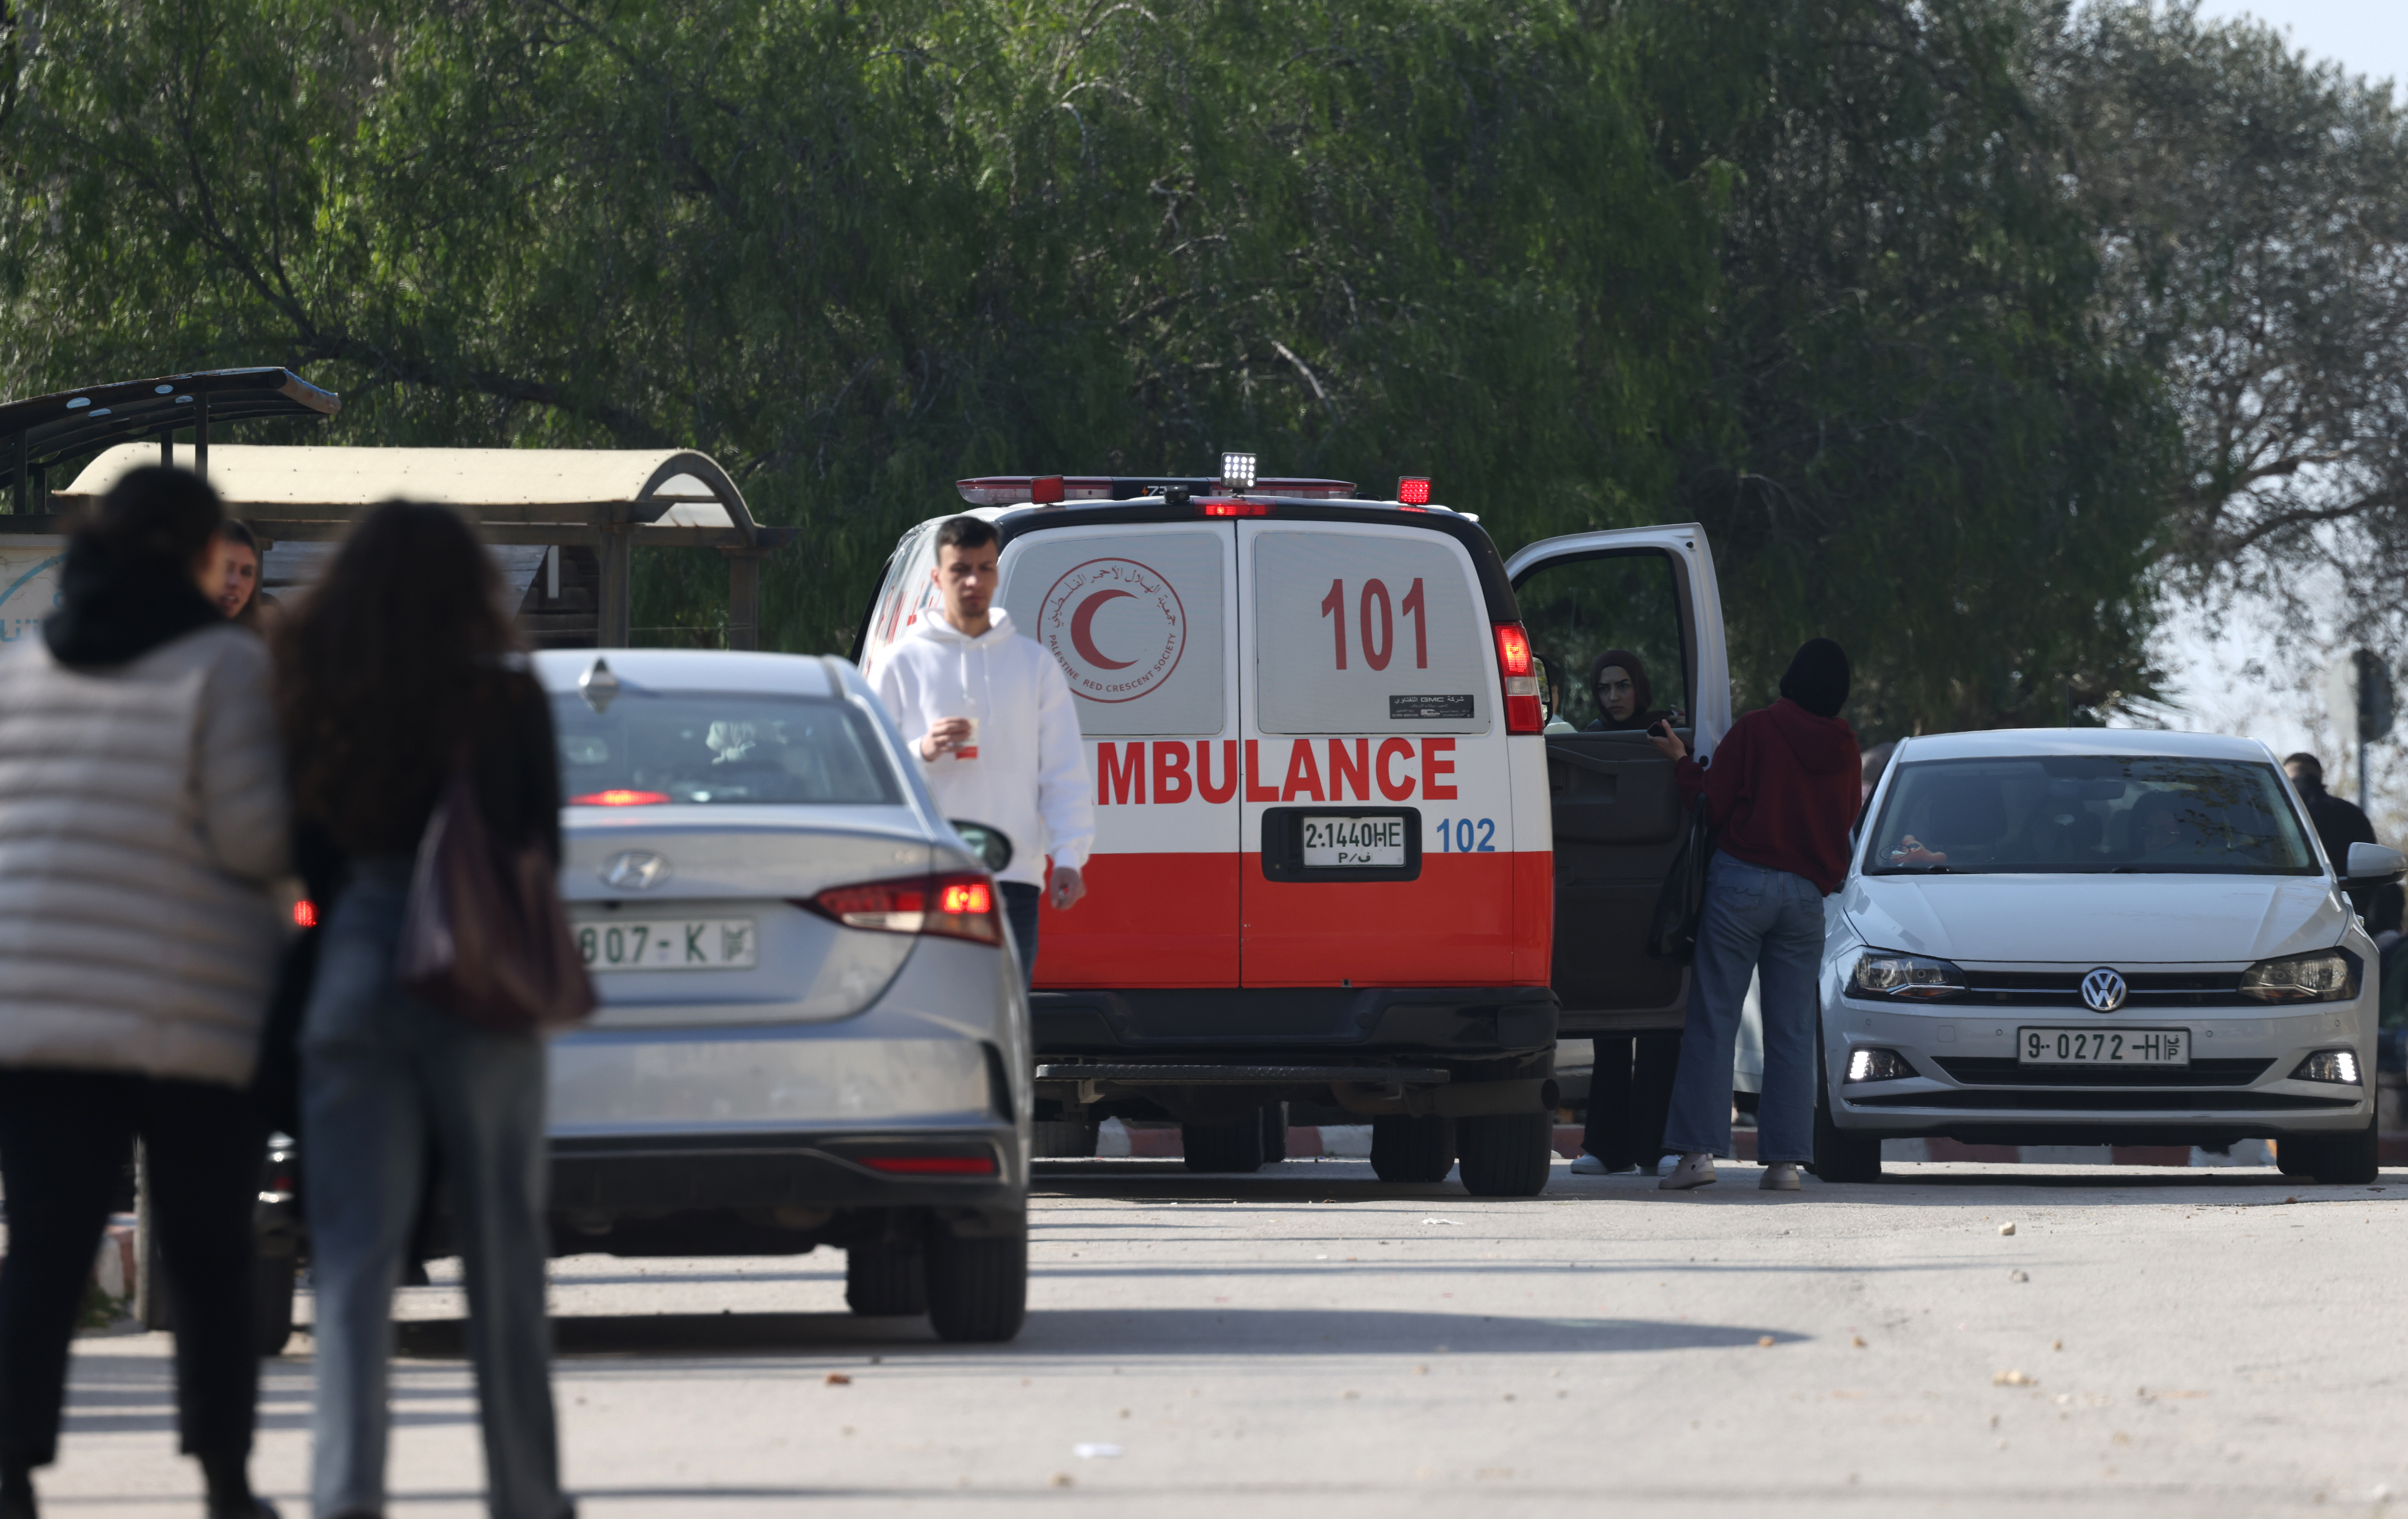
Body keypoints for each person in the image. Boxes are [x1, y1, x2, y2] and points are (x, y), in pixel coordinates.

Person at [0, 466, 287, 1519]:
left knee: (45, 1244)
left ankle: (12, 1462)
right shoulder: (221, 665)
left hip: (37, 1015)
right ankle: (223, 1473)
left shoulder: (22, 671)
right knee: (209, 1250)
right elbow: (256, 833)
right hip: (187, 1008)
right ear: (189, 550)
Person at [277, 503, 573, 1519]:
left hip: (358, 957)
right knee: (503, 1251)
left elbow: (297, 848)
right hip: (481, 971)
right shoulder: (505, 692)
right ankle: (526, 1492)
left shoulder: (316, 682)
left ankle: (345, 1491)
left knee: (354, 1259)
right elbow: (541, 839)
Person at [1646, 638, 1862, 1192]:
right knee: (1790, 1029)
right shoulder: (1843, 748)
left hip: (1740, 883)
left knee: (1714, 1016)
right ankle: (1785, 1163)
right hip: (1803, 898)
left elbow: (1711, 803)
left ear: (1791, 675)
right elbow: (1844, 820)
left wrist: (1679, 762)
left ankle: (1696, 1156)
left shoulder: (1757, 728)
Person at [871, 515, 1094, 985]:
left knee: (1006, 1013)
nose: (974, 581)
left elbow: (1062, 770)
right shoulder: (900, 663)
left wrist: (1069, 856)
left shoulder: (1033, 666)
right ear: (937, 578)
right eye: (960, 570)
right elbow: (868, 771)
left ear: (996, 573)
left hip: (1012, 874)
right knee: (930, 1008)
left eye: (985, 568)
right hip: (926, 874)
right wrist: (921, 749)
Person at [2285, 753, 2379, 916]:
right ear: (2323, 784)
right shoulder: (2351, 814)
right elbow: (2373, 874)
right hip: (2342, 919)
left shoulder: (2269, 815)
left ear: (2284, 783)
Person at [1583, 648, 1679, 732]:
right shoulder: (1586, 741)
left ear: (1640, 688)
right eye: (1604, 689)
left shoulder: (1668, 727)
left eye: (1623, 686)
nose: (1614, 698)